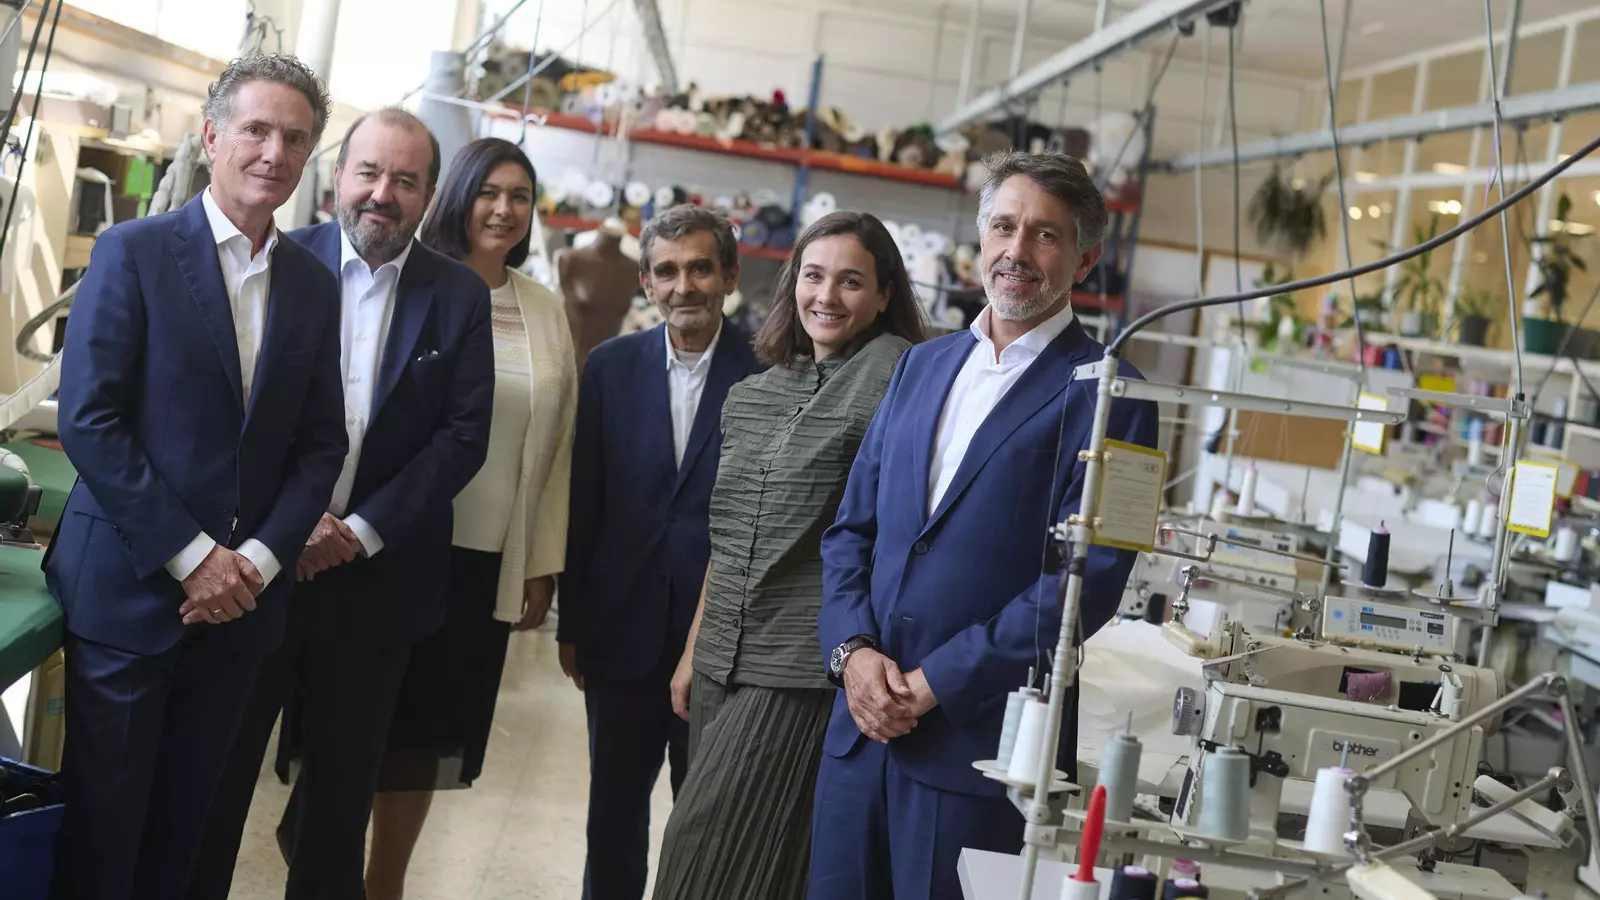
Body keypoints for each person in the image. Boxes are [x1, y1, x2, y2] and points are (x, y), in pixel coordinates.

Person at [807, 151, 1159, 900]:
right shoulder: (921, 367)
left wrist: (935, 683)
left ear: (1085, 259)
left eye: (1045, 235)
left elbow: (1089, 583)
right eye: (1003, 226)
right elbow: (851, 531)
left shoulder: (1117, 397)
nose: (1016, 250)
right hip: (859, 736)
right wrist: (852, 655)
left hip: (982, 750)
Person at [43, 54, 346, 900]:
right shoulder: (133, 252)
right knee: (104, 838)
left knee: (188, 838)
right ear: (212, 137)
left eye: (295, 138)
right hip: (132, 595)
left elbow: (321, 445)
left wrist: (256, 563)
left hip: (242, 609)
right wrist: (194, 557)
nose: (274, 153)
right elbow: (90, 419)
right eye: (257, 129)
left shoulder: (312, 285)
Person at [190, 108, 495, 900]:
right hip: (260, 571)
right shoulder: (278, 265)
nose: (382, 193)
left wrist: (357, 531)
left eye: (405, 180)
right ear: (338, 177)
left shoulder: (458, 296)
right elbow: (238, 414)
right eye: (369, 172)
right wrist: (292, 527)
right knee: (219, 778)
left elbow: (463, 438)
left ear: (430, 195)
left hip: (377, 588)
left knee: (338, 800)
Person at [652, 211, 928, 900]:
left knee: (698, 859)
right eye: (813, 276)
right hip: (719, 657)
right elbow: (728, 539)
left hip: (797, 667)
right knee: (758, 872)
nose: (826, 296)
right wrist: (692, 649)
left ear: (885, 294)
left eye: (851, 281)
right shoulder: (755, 392)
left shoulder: (900, 382)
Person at [362, 137, 578, 900]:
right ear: (457, 194)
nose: (504, 209)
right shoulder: (411, 282)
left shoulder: (542, 310)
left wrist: (540, 564)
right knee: (358, 731)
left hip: (484, 563)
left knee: (422, 742)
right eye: (489, 191)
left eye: (520, 196)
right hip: (390, 547)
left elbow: (557, 448)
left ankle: (384, 886)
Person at [557, 205, 764, 900]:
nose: (685, 286)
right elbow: (585, 503)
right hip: (620, 635)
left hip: (723, 646)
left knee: (705, 826)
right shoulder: (610, 368)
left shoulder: (770, 374)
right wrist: (573, 625)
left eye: (701, 268)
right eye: (667, 271)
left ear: (729, 276)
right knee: (612, 818)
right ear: (647, 283)